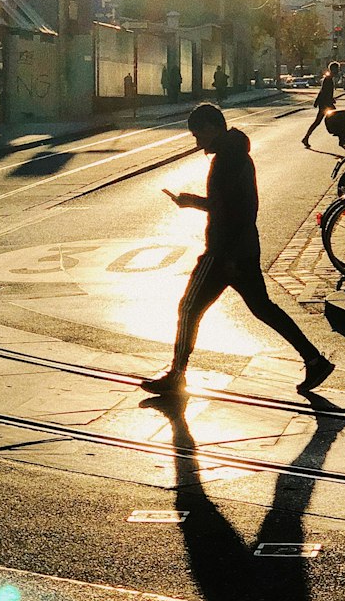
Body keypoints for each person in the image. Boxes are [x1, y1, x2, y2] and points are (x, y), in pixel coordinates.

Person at [140, 103, 334, 398]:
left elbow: (231, 210)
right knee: (263, 308)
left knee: (189, 307)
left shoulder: (227, 160)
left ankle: (177, 375)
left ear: (211, 128)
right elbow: (230, 205)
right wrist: (193, 201)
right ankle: (314, 360)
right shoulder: (235, 153)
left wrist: (224, 251)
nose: (197, 142)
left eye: (198, 135)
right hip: (243, 246)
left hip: (223, 251)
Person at [302, 61, 340, 148]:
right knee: (335, 120)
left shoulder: (329, 78)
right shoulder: (328, 79)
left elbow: (324, 92)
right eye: (337, 69)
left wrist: (330, 100)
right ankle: (341, 139)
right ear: (333, 69)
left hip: (326, 103)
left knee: (319, 121)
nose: (338, 71)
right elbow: (323, 92)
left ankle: (306, 138)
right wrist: (322, 101)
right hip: (325, 104)